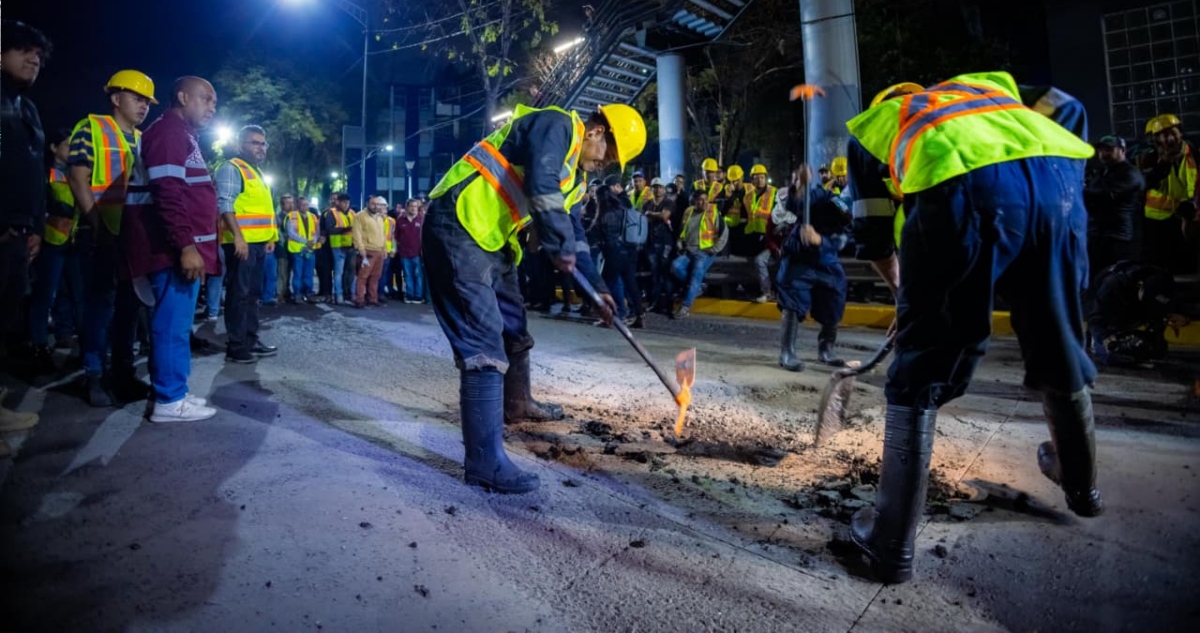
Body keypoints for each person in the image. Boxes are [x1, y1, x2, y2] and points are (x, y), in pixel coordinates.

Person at [844, 71, 1102, 584]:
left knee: (923, 364)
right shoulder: (987, 88)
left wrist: (905, 297)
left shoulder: (877, 125)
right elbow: (1067, 102)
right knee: (1059, 340)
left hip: (968, 194)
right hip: (1057, 187)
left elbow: (872, 231)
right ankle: (1083, 488)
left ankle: (890, 546)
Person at [423, 102, 642, 494]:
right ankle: (485, 463)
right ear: (597, 132)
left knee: (513, 324)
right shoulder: (557, 125)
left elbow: (573, 231)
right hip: (458, 223)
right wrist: (558, 245)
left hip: (492, 238)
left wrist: (598, 290)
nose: (605, 165)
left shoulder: (574, 176)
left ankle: (518, 404)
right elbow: (541, 183)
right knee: (484, 341)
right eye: (609, 155)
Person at [120, 76, 220, 423]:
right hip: (171, 249)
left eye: (214, 103)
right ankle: (168, 399)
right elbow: (168, 193)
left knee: (177, 324)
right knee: (171, 323)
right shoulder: (168, 133)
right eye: (206, 99)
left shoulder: (181, 134)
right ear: (182, 97)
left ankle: (174, 391)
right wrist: (185, 246)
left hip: (177, 247)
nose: (211, 108)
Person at [67, 70, 157, 407]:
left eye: (147, 101)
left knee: (128, 310)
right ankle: (93, 373)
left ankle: (122, 374)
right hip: (99, 234)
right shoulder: (90, 129)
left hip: (132, 238)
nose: (144, 106)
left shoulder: (144, 139)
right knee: (99, 307)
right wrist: (98, 226)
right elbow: (78, 179)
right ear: (116, 98)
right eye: (137, 98)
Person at [0, 19, 50, 447]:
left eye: (38, 54)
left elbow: (32, 171)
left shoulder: (27, 109)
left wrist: (34, 224)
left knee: (4, 321)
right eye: (22, 49)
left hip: (18, 232)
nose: (34, 58)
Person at [214, 125, 279, 363]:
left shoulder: (257, 172)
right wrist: (239, 237)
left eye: (263, 143)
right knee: (239, 294)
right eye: (255, 142)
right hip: (241, 244)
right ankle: (237, 346)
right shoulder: (232, 168)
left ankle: (251, 339)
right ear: (240, 145)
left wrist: (270, 237)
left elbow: (263, 209)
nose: (261, 147)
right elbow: (225, 204)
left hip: (259, 244)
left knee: (253, 294)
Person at [776, 167, 848, 371]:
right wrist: (800, 185)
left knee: (835, 296)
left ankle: (826, 349)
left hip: (826, 257)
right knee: (792, 299)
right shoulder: (816, 193)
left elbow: (848, 235)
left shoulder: (839, 203)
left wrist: (821, 240)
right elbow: (796, 204)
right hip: (800, 255)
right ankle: (787, 352)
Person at [29, 128, 82, 374]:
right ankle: (38, 345)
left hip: (73, 243)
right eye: (67, 145)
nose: (73, 150)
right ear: (53, 148)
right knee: (45, 295)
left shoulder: (76, 174)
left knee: (73, 294)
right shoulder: (45, 174)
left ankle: (66, 334)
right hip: (51, 242)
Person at [1086, 261, 1190, 366]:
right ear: (1140, 286)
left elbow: (1170, 307)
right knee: (1113, 354)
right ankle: (1096, 339)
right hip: (1104, 305)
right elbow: (1095, 319)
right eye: (1149, 302)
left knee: (1156, 349)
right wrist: (1105, 338)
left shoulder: (1164, 283)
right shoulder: (1113, 285)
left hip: (1133, 306)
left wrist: (1177, 315)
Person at [1084, 135, 1144, 278]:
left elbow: (1104, 195)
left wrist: (1078, 189)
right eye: (1101, 150)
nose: (1103, 153)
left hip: (1118, 239)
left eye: (1109, 149)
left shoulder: (1130, 173)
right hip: (1099, 238)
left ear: (1123, 150)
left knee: (1114, 281)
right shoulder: (1103, 172)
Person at [670, 190, 728, 319]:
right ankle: (697, 287)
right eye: (699, 200)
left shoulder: (713, 212)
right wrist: (680, 243)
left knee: (696, 274)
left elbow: (724, 233)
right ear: (694, 201)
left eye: (705, 199)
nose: (703, 202)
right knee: (675, 267)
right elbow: (682, 230)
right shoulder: (689, 212)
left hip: (704, 251)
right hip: (689, 250)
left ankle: (685, 307)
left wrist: (714, 249)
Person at [351, 195, 389, 308]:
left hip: (379, 251)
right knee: (363, 277)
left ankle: (373, 299)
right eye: (373, 204)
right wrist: (361, 249)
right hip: (367, 251)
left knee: (375, 277)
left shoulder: (379, 217)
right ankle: (360, 300)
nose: (375, 206)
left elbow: (382, 234)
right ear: (367, 204)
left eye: (377, 204)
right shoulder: (360, 217)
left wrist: (384, 249)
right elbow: (356, 234)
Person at [286, 202, 320, 304]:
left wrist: (313, 241)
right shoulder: (291, 216)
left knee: (309, 273)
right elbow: (291, 232)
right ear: (297, 205)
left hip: (310, 249)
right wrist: (306, 242)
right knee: (298, 273)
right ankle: (297, 295)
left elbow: (317, 231)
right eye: (302, 204)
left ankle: (308, 294)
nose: (304, 206)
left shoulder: (313, 217)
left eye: (306, 204)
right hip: (297, 250)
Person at [395, 198, 425, 304]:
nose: (413, 208)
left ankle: (418, 296)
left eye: (415, 206)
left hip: (417, 254)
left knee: (418, 275)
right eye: (411, 206)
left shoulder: (422, 220)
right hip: (404, 254)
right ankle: (409, 295)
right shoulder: (400, 220)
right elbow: (397, 237)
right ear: (407, 207)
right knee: (407, 275)